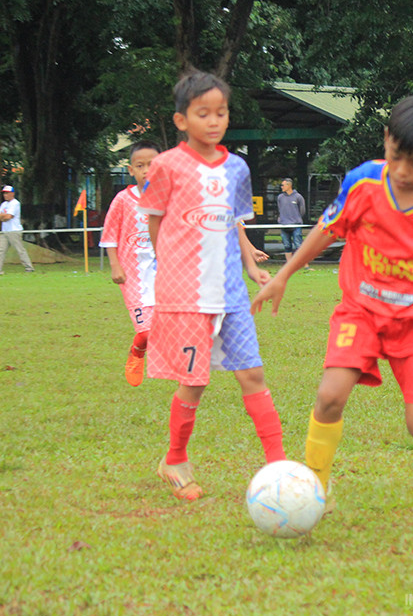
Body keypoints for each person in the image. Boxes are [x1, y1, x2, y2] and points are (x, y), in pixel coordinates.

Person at [251, 93, 413, 527]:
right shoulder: (363, 183)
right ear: (386, 140)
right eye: (396, 155)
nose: (402, 170)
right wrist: (285, 274)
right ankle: (314, 494)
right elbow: (327, 230)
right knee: (328, 397)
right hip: (360, 311)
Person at [139, 70, 285, 501]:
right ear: (182, 120)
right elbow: (153, 222)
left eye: (220, 112)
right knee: (194, 382)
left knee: (253, 373)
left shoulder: (237, 168)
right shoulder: (166, 166)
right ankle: (175, 460)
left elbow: (231, 222)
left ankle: (278, 466)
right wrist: (170, 269)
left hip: (231, 292)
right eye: (203, 113)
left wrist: (251, 265)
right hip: (185, 295)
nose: (214, 120)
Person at [100, 140, 161, 387]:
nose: (147, 169)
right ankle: (137, 353)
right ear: (131, 170)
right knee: (146, 332)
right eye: (140, 165)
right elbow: (109, 235)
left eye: (152, 164)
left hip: (163, 273)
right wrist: (115, 265)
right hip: (133, 275)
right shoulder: (123, 200)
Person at [0, 185, 35, 274]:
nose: (5, 195)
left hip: (14, 230)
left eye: (7, 193)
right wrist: (2, 217)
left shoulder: (15, 203)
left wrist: (2, 217)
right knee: (1, 249)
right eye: (4, 193)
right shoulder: (4, 204)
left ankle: (29, 267)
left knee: (20, 250)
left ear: (12, 193)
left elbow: (9, 216)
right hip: (5, 230)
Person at [277, 178, 306, 264]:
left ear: (289, 186)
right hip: (284, 224)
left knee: (299, 245)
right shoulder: (280, 197)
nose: (281, 187)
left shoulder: (298, 197)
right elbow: (280, 209)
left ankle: (304, 264)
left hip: (296, 224)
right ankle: (289, 265)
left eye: (283, 185)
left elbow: (302, 210)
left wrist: (296, 219)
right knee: (287, 245)